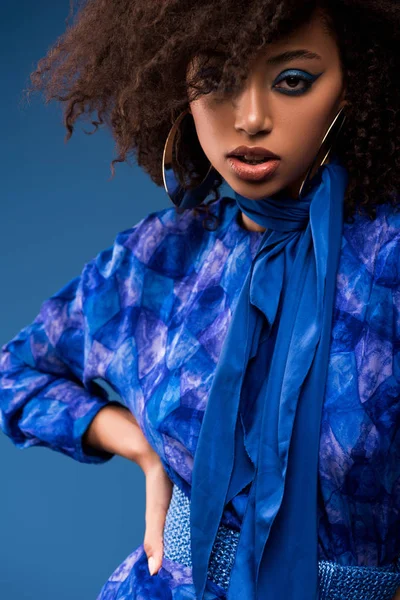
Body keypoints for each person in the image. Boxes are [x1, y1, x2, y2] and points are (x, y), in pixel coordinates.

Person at [1, 0, 399, 599]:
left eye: (293, 81)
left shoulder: (387, 263)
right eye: (216, 80)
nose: (251, 118)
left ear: (356, 84)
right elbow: (15, 373)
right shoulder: (163, 255)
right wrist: (143, 449)